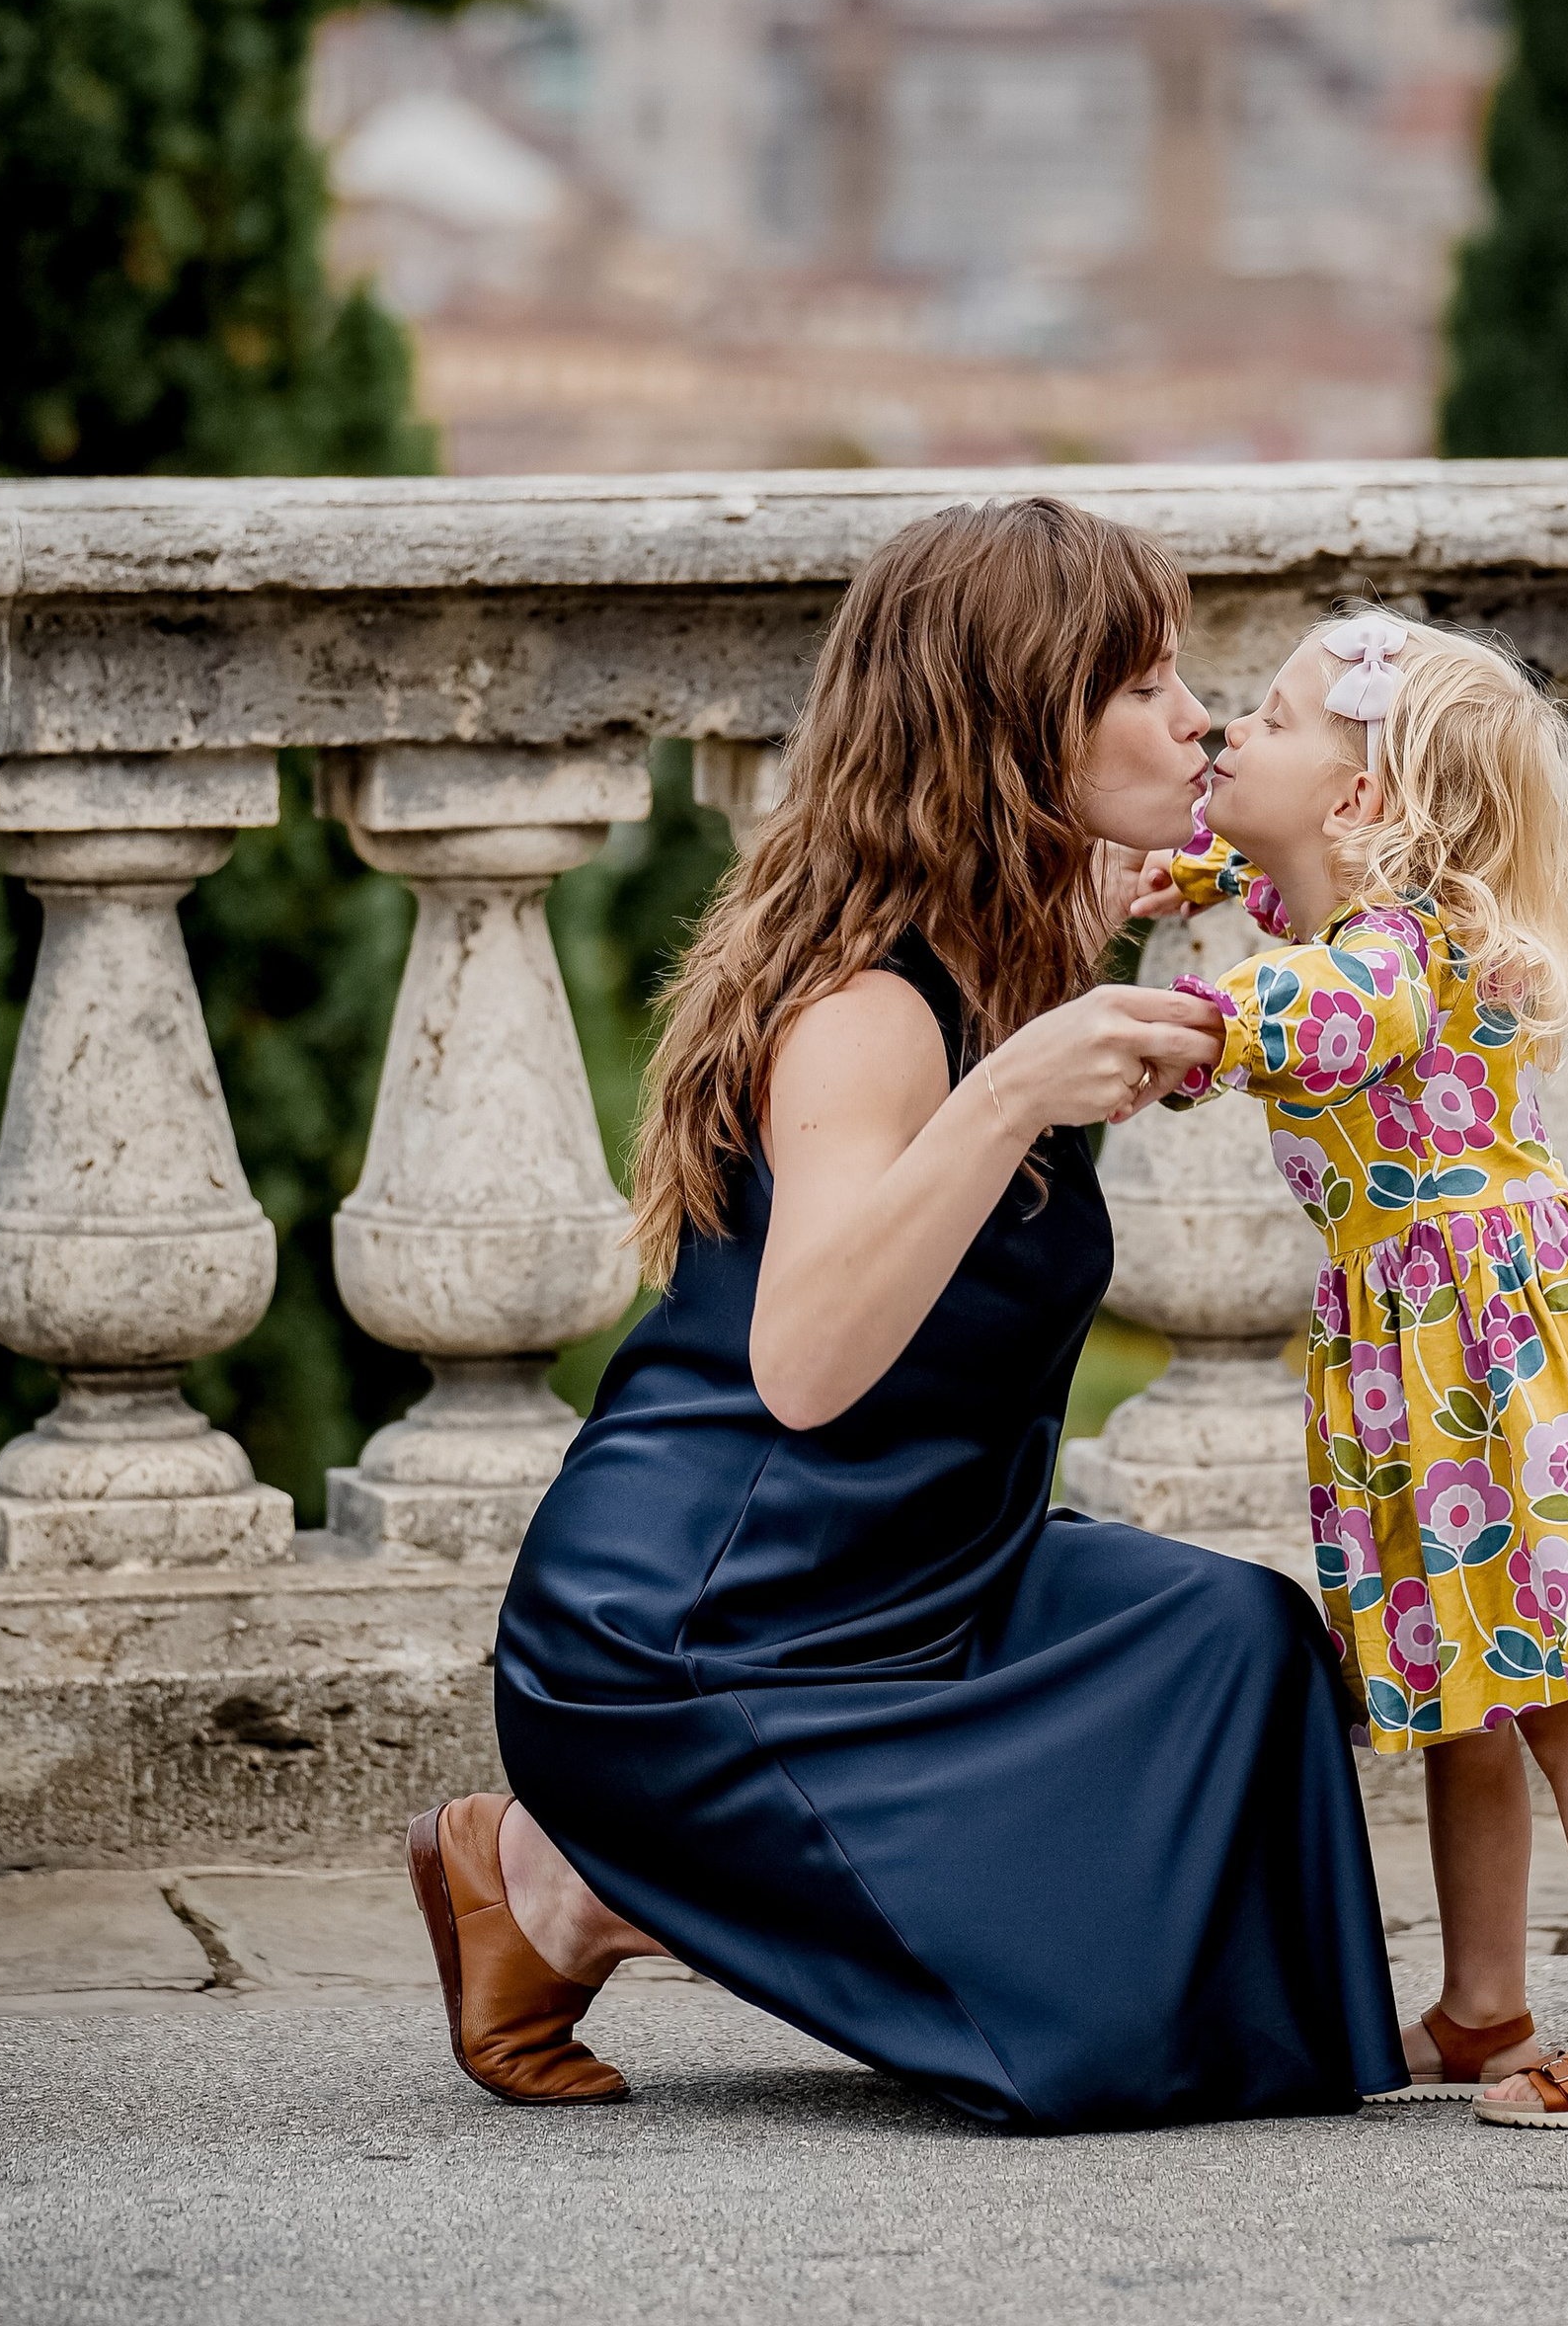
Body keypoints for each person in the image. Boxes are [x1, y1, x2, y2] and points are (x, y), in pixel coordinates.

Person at [408, 498, 1404, 2133]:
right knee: (1090, 2047)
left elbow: (1323, 874)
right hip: (698, 1636)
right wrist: (1013, 1089)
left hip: (937, 1578)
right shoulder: (869, 1010)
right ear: (1018, 730)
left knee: (1244, 1648)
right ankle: (575, 1854)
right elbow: (800, 1373)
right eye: (1143, 686)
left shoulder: (1028, 929)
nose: (1197, 717)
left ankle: (569, 1888)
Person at [1134, 611, 1568, 2129]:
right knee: (1467, 1694)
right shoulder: (1362, 908)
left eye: (1282, 720)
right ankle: (1485, 2002)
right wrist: (1182, 877)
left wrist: (1161, 1023)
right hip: (1437, 1351)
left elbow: (1297, 1014)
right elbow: (1250, 880)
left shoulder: (1384, 959)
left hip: (1484, 1352)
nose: (1235, 730)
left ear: (1362, 802)